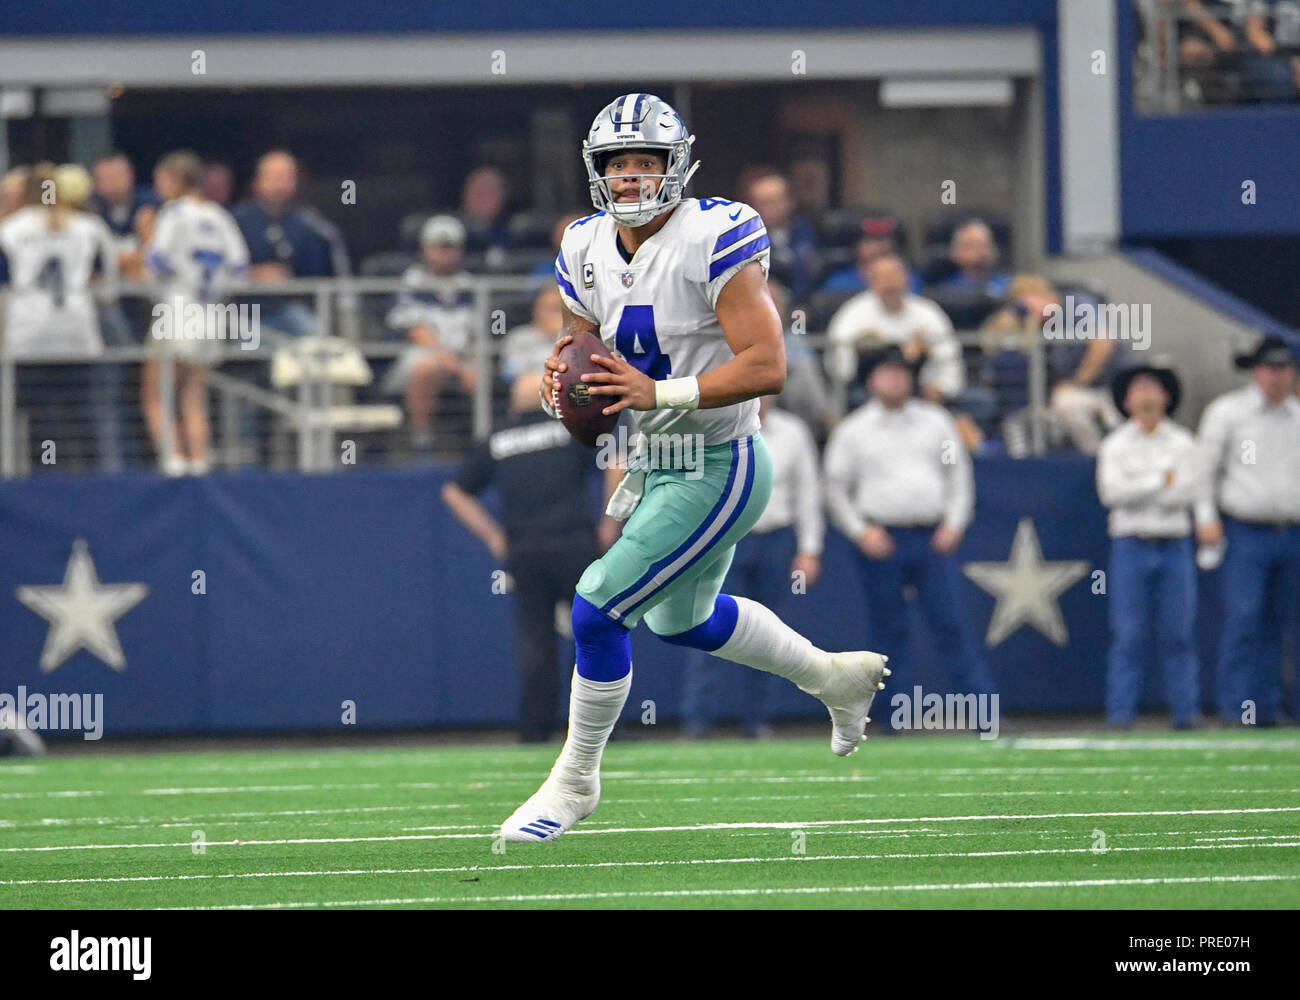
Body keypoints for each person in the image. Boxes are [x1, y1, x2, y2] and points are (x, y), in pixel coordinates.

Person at [500, 93, 889, 843]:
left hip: (723, 460)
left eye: (647, 161)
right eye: (620, 164)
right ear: (597, 171)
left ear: (677, 165)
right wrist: (566, 390)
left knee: (596, 606)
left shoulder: (716, 233)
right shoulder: (583, 245)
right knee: (682, 620)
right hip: (656, 458)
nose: (633, 178)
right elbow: (583, 359)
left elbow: (768, 364)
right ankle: (832, 677)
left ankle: (574, 781)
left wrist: (658, 391)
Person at [824, 345, 994, 729]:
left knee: (951, 625)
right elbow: (834, 488)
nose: (897, 378)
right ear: (869, 381)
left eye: (902, 371)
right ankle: (886, 721)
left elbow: (959, 475)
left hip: (931, 538)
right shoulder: (854, 430)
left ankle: (985, 715)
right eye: (886, 371)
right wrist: (859, 530)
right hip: (881, 540)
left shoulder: (936, 421)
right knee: (887, 632)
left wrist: (954, 523)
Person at [442, 374, 608, 743]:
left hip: (526, 550)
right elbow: (617, 461)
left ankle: (534, 729)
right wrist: (609, 523)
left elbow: (455, 492)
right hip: (575, 544)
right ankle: (593, 727)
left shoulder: (498, 440)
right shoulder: (571, 430)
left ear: (514, 403)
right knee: (594, 633)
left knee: (535, 642)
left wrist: (493, 536)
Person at [680, 394, 824, 738]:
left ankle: (756, 720)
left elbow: (807, 492)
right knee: (709, 626)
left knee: (766, 635)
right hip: (724, 539)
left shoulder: (793, 432)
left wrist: (810, 549)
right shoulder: (715, 425)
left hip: (774, 538)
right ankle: (698, 721)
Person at [1195, 331, 1300, 726]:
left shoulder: (1297, 417)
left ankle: (1268, 709)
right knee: (1244, 620)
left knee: (1280, 625)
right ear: (1256, 371)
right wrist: (1206, 516)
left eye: (1283, 368)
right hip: (1246, 532)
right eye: (1269, 368)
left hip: (1291, 532)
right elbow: (1204, 471)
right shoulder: (1228, 413)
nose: (1276, 376)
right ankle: (1237, 709)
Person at [1096, 361, 1202, 729]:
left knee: (1179, 634)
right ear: (1126, 401)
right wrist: (1161, 480)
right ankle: (1120, 715)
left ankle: (1186, 715)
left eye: (1152, 388)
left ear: (1166, 398)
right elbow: (1112, 494)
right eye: (1138, 390)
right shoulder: (1115, 444)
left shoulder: (1184, 442)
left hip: (1174, 543)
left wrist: (1142, 486)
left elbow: (1187, 493)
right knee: (1128, 635)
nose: (1145, 396)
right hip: (1131, 544)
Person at [0, 162, 118, 471]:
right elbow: (109, 288)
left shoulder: (10, 229)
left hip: (29, 336)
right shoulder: (89, 226)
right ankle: (89, 480)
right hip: (77, 332)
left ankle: (50, 477)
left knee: (43, 420)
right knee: (81, 414)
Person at [141, 150, 250, 476]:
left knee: (156, 392)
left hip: (176, 310)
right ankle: (200, 461)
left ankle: (174, 462)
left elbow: (156, 261)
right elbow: (241, 267)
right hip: (211, 313)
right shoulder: (219, 215)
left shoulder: (173, 213)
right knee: (193, 395)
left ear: (172, 180)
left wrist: (147, 236)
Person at [381, 214, 477, 451]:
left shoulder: (469, 284)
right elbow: (416, 331)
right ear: (425, 249)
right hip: (421, 354)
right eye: (439, 247)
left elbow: (479, 332)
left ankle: (480, 442)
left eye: (451, 247)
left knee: (482, 370)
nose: (445, 253)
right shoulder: (412, 281)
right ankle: (420, 440)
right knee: (427, 368)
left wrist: (469, 363)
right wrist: (451, 362)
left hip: (463, 354)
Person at [231, 150, 350, 338]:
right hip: (244, 310)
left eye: (287, 178)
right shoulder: (234, 221)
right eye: (275, 178)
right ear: (258, 182)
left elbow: (318, 276)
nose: (280, 186)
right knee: (248, 348)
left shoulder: (309, 224)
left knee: (315, 337)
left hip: (286, 308)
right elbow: (218, 269)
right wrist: (252, 273)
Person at [500, 285, 564, 383]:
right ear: (537, 310)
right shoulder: (519, 337)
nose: (557, 315)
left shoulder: (575, 338)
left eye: (560, 310)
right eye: (552, 309)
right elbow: (511, 374)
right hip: (532, 388)